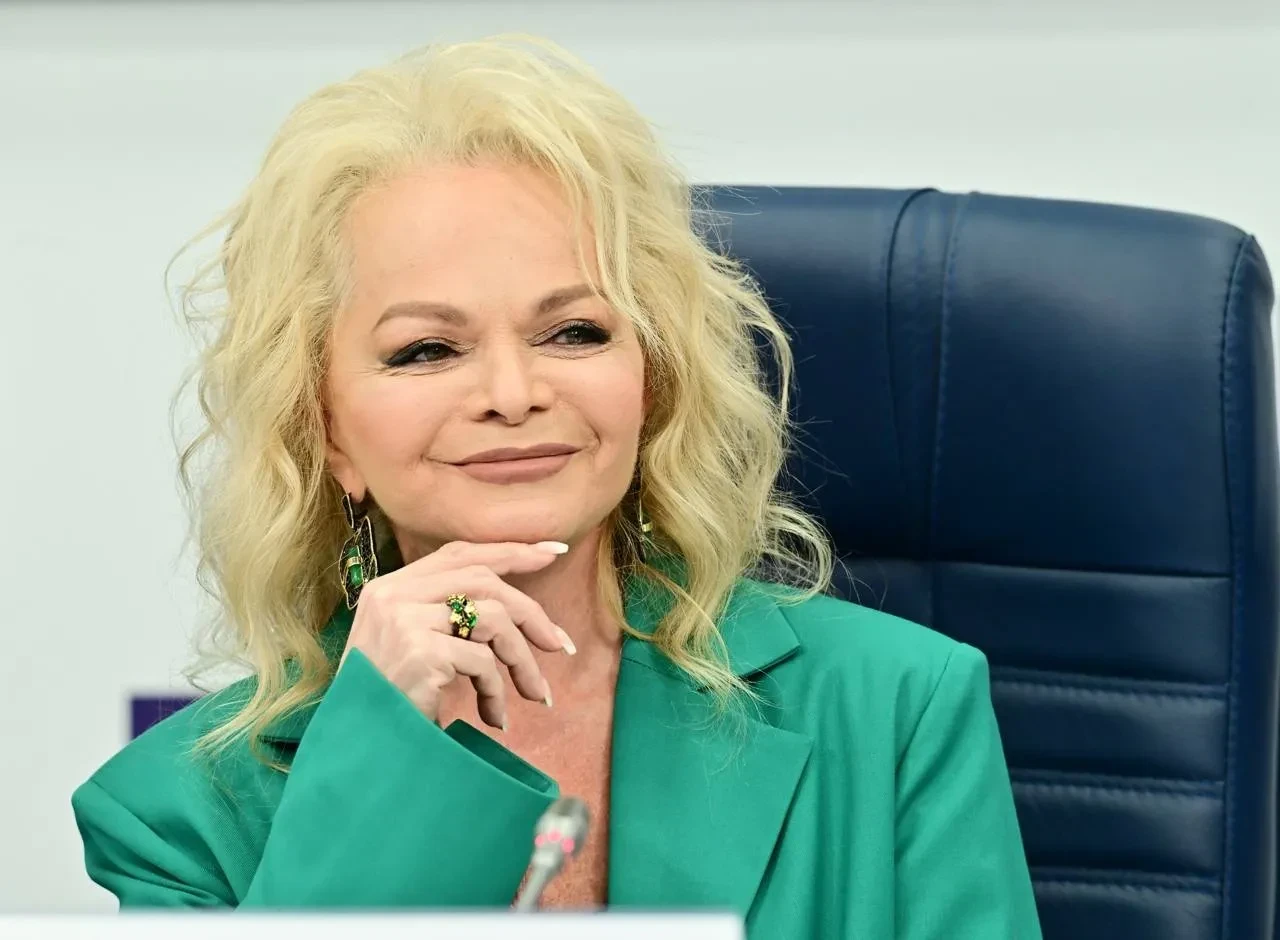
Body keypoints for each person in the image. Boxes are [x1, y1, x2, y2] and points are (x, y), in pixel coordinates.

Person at [71, 35, 1043, 937]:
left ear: (651, 380)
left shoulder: (897, 703)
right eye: (426, 349)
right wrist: (378, 745)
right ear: (325, 431)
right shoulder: (172, 816)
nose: (512, 393)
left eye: (573, 331)